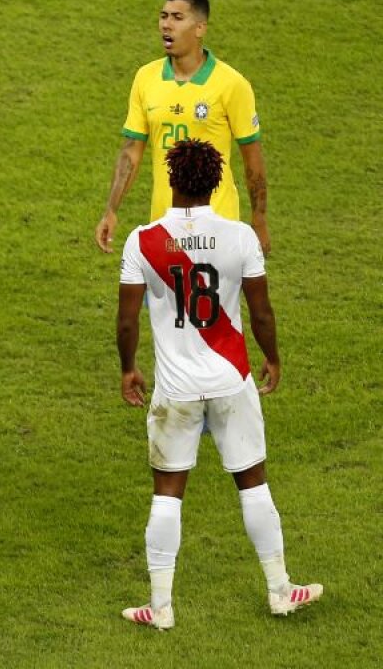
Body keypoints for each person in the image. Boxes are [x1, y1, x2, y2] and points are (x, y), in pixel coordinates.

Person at [116, 139, 321, 630]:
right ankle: (279, 590)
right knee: (253, 482)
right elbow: (261, 312)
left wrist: (128, 367)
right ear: (215, 183)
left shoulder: (143, 241)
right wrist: (272, 356)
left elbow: (127, 321)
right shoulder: (241, 237)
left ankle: (160, 607)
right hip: (232, 380)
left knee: (167, 492)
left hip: (176, 388)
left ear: (171, 181)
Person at [95, 0, 270, 256]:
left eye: (177, 18)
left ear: (200, 28)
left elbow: (252, 156)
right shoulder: (146, 78)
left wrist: (258, 220)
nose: (166, 25)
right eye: (164, 16)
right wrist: (111, 210)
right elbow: (131, 152)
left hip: (218, 228)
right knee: (164, 300)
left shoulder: (231, 84)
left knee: (214, 300)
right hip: (164, 228)